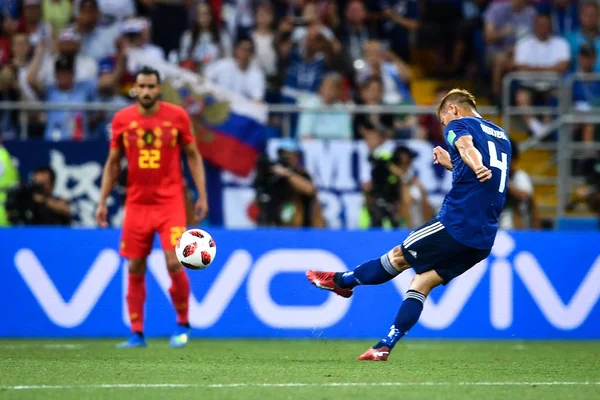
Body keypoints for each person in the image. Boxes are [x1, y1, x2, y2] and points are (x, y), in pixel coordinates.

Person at [307, 89, 511, 361]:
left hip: (456, 223)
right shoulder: (501, 135)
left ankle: (343, 282)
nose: (444, 126)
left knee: (398, 257)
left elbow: (466, 148)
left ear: (452, 109)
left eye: (442, 120)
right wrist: (453, 164)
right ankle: (383, 346)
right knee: (422, 282)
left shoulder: (459, 124)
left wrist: (474, 165)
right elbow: (482, 172)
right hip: (483, 237)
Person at [95, 66, 209, 349]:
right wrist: (102, 201)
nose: (146, 92)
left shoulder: (177, 116)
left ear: (159, 89)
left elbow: (193, 156)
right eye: (141, 86)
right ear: (135, 88)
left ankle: (183, 325)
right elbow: (113, 163)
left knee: (174, 261)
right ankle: (136, 333)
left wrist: (201, 195)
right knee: (135, 264)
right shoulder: (122, 120)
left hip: (170, 201)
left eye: (151, 87)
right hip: (137, 203)